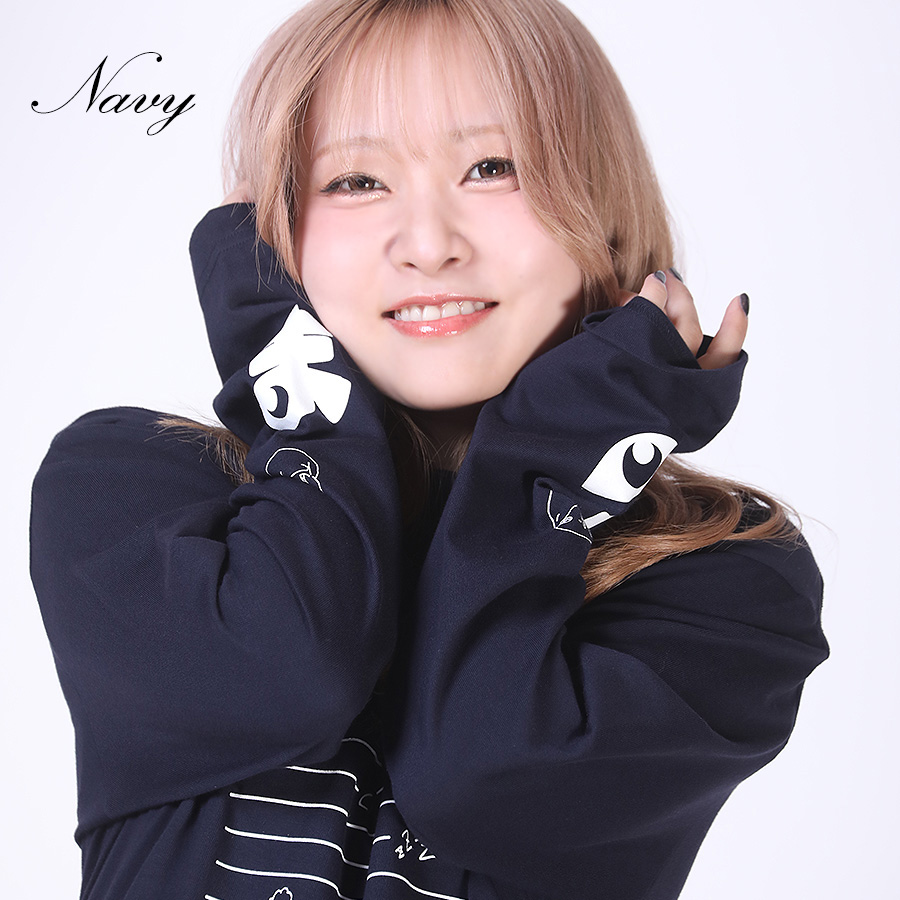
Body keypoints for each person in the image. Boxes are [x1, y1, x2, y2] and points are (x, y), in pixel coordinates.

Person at [29, 0, 828, 898]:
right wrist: (300, 392)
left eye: (492, 167)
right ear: (265, 232)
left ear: (604, 211)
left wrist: (559, 459)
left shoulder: (721, 571)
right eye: (354, 181)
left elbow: (481, 779)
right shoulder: (134, 488)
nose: (429, 246)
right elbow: (289, 671)